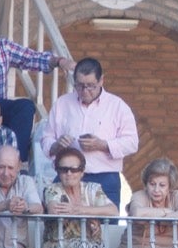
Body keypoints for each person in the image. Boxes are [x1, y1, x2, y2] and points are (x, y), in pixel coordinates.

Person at [0, 7, 76, 162]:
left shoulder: (2, 47)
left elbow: (32, 58)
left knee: (25, 105)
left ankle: (15, 160)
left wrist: (59, 61)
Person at [41, 57, 138, 208]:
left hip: (104, 176)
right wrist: (57, 145)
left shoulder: (117, 106)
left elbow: (132, 143)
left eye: (91, 86)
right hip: (67, 174)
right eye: (80, 86)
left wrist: (103, 145)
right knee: (59, 223)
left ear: (101, 81)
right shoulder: (62, 103)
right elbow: (46, 138)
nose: (85, 91)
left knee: (104, 228)